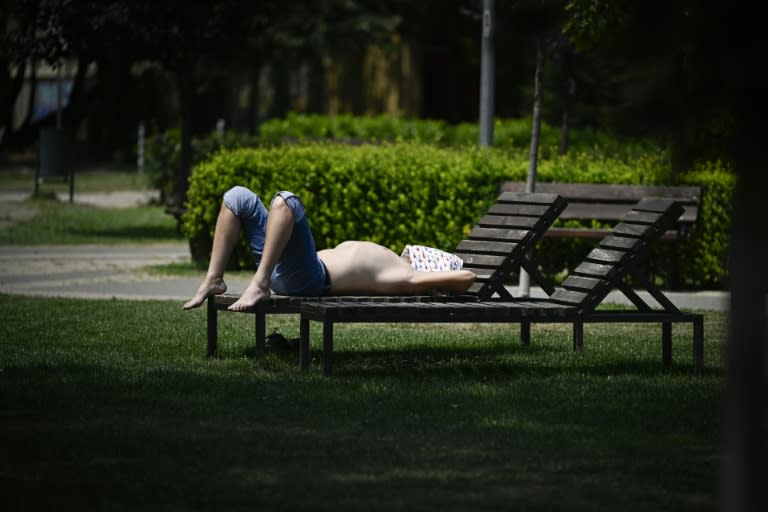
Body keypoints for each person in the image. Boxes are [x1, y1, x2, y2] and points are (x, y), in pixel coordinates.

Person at [183, 186, 476, 312]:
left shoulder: (406, 276)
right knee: (237, 197)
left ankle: (259, 284)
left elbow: (468, 278)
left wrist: (440, 278)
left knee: (287, 201)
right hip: (291, 269)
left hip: (309, 279)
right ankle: (214, 278)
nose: (413, 250)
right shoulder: (394, 262)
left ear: (428, 263)